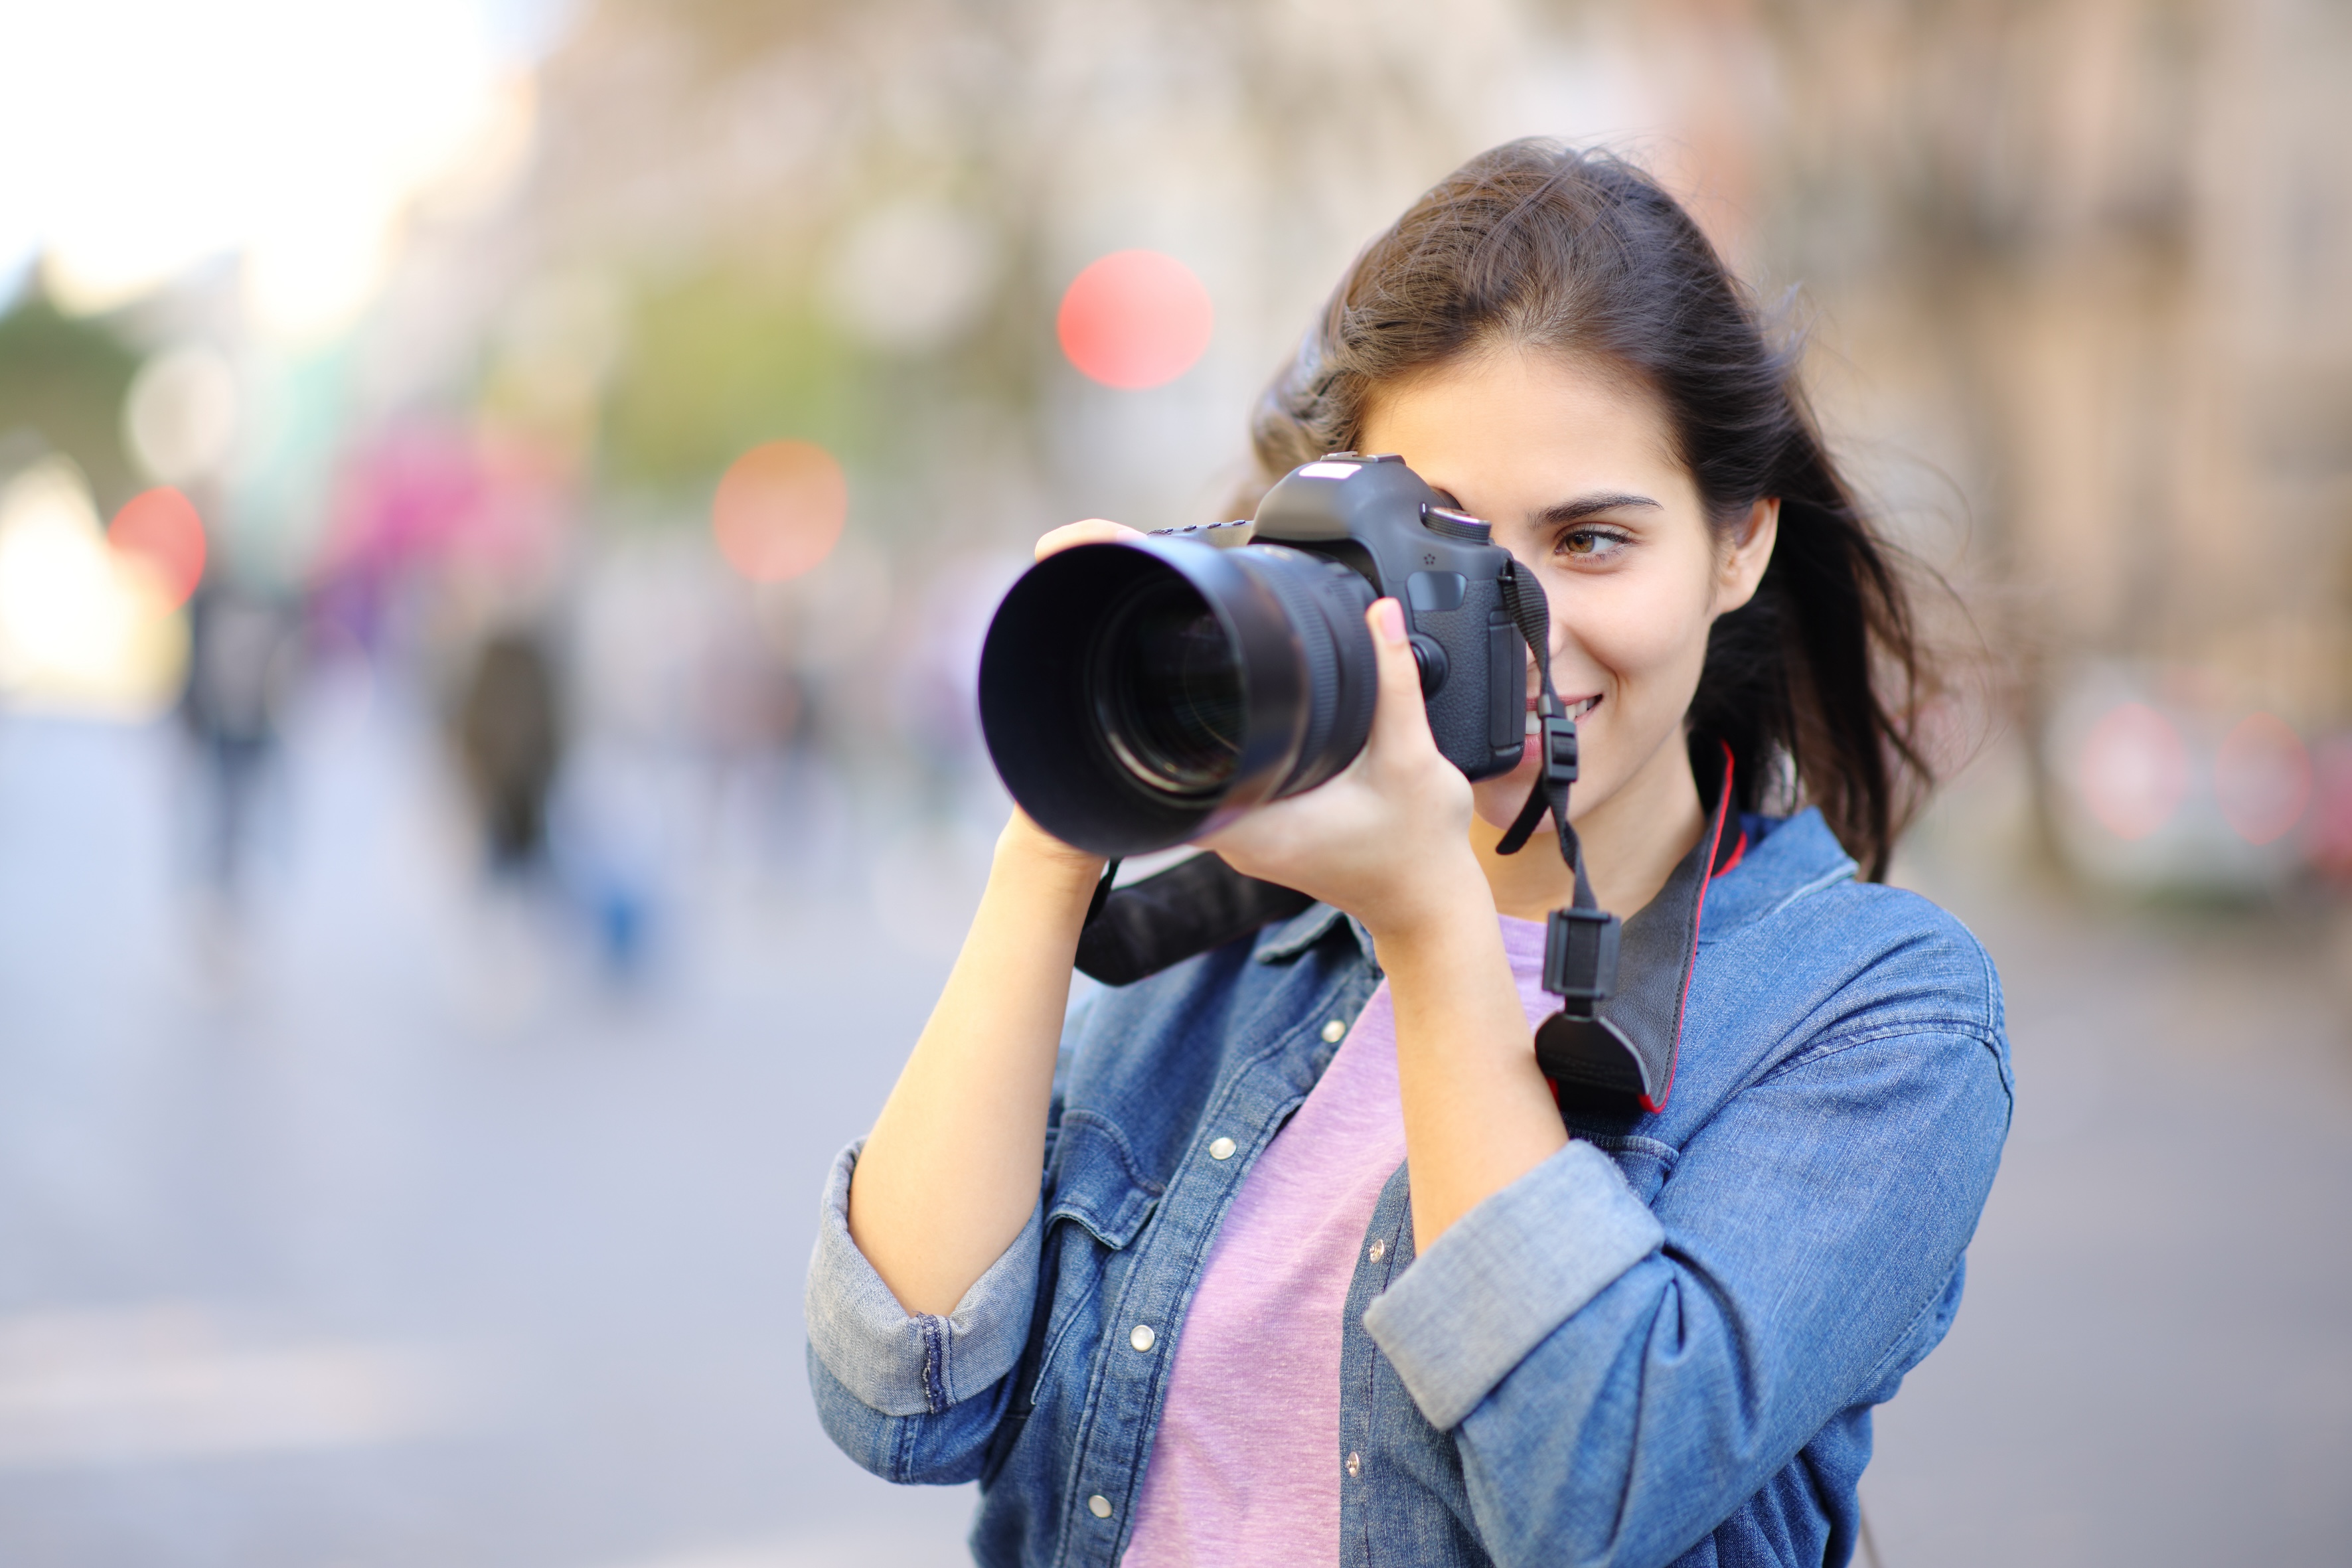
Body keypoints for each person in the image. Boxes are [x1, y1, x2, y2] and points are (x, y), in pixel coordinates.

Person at [805, 141, 2011, 1568]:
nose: (1509, 630)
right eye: (1434, 549)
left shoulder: (1873, 1011)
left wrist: (1435, 923)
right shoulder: (1236, 947)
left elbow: (1587, 1484)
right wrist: (1062, 830)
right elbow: (897, 1392)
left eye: (1590, 540)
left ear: (1737, 543)